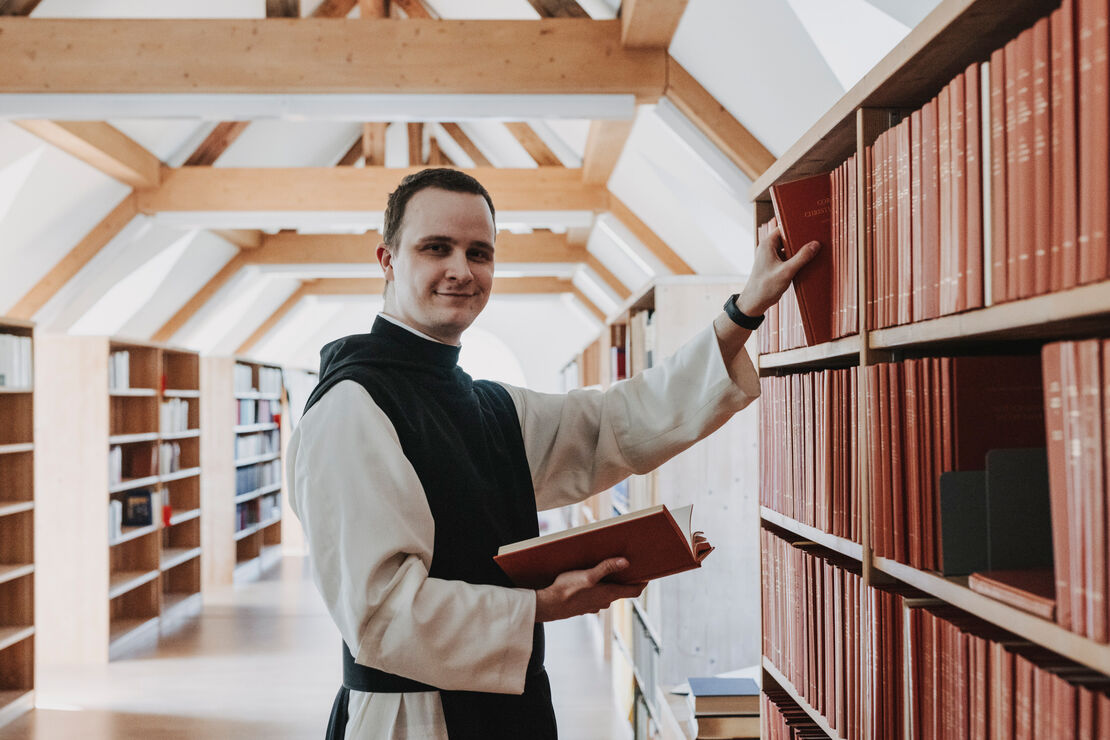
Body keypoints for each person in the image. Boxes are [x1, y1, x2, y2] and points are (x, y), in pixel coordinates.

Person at [286, 168, 817, 740]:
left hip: (508, 704)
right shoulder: (352, 408)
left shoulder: (485, 404)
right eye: (436, 248)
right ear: (387, 259)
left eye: (479, 252)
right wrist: (543, 605)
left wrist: (744, 311)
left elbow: (614, 422)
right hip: (412, 720)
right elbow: (380, 616)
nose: (462, 271)